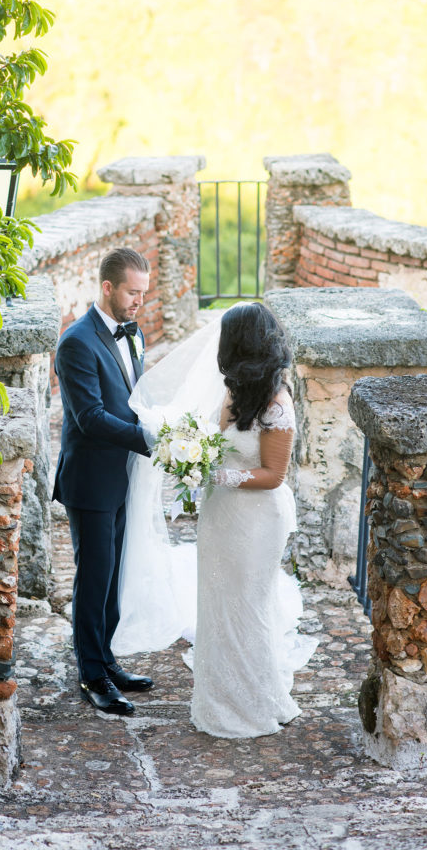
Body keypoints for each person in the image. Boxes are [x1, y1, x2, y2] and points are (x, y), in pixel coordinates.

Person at [115, 302, 317, 739]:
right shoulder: (234, 391)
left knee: (249, 605)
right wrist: (189, 453)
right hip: (220, 514)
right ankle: (219, 698)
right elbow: (213, 438)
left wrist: (216, 472)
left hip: (258, 519)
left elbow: (273, 475)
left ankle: (253, 703)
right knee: (218, 604)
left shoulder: (277, 402)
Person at [53, 247, 155, 716]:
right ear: (108, 287)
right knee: (93, 579)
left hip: (122, 475)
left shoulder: (132, 334)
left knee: (113, 576)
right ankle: (91, 675)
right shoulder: (76, 342)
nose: (139, 302)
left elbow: (136, 395)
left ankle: (107, 659)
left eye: (144, 294)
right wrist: (151, 439)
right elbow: (90, 418)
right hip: (91, 480)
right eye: (133, 293)